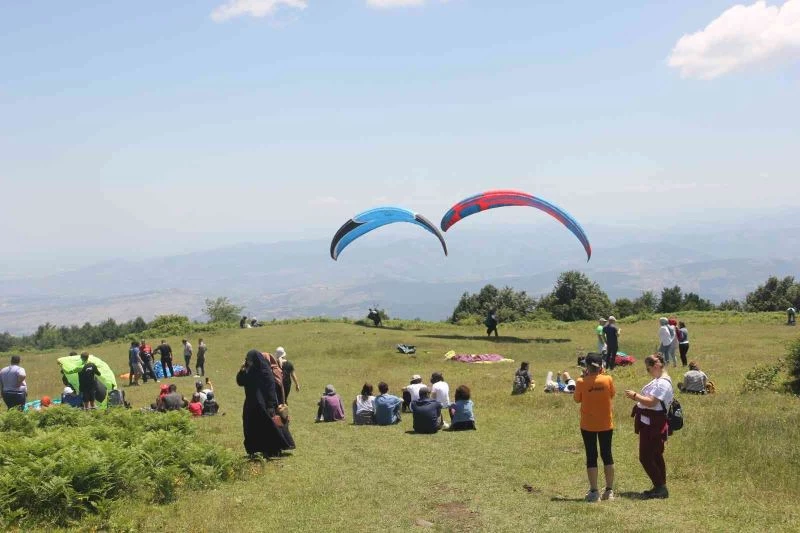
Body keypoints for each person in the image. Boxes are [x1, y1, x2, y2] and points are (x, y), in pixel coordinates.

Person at [625, 353, 674, 499]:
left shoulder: (663, 383)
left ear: (657, 366)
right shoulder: (658, 380)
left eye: (648, 369)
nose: (648, 372)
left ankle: (660, 487)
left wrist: (634, 396)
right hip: (649, 422)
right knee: (655, 455)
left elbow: (652, 402)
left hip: (654, 424)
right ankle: (660, 486)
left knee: (646, 457)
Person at [574, 353, 616, 502]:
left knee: (591, 456)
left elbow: (577, 399)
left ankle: (594, 491)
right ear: (601, 366)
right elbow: (612, 394)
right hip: (606, 424)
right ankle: (609, 491)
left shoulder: (581, 381)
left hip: (588, 424)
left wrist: (585, 379)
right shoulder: (608, 379)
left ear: (586, 366)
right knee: (607, 455)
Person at [237, 350, 295, 456]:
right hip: (251, 404)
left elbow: (271, 389)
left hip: (264, 405)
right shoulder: (249, 371)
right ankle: (255, 449)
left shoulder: (265, 372)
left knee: (269, 428)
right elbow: (240, 382)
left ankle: (273, 449)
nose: (247, 362)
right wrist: (242, 371)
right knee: (251, 427)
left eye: (249, 360)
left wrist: (271, 405)